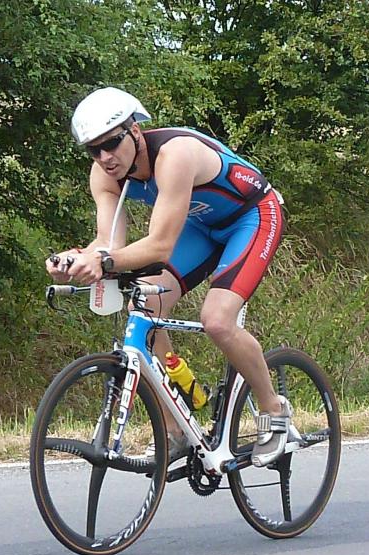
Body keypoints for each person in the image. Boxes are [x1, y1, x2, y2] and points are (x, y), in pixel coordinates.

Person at [45, 87, 289, 468]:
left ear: (135, 132)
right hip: (202, 225)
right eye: (94, 150)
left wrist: (104, 262)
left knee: (217, 320)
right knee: (145, 302)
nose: (105, 157)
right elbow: (108, 243)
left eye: (111, 143)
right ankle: (176, 428)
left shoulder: (174, 155)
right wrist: (75, 259)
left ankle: (274, 410)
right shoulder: (104, 176)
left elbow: (159, 246)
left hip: (252, 217)